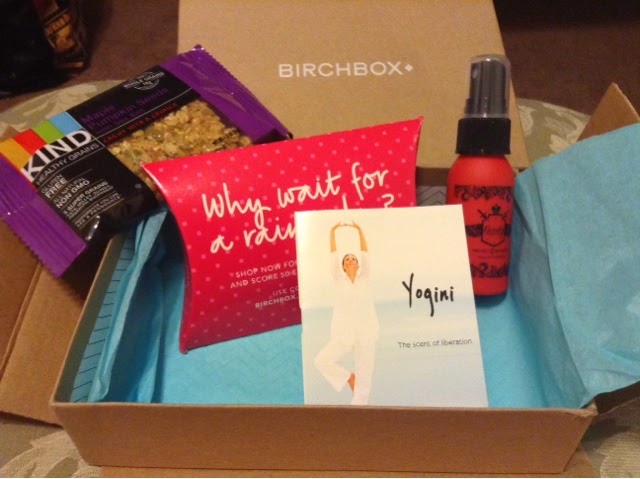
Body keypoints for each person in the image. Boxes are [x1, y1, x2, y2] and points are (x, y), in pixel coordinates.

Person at [313, 221, 380, 405]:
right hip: (344, 333)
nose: (350, 260)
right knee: (321, 361)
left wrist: (359, 230)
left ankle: (358, 411)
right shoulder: (338, 280)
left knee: (364, 381)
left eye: (353, 259)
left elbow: (365, 254)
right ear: (342, 267)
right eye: (347, 260)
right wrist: (333, 231)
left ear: (358, 265)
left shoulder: (364, 278)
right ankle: (349, 377)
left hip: (366, 332)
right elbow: (333, 256)